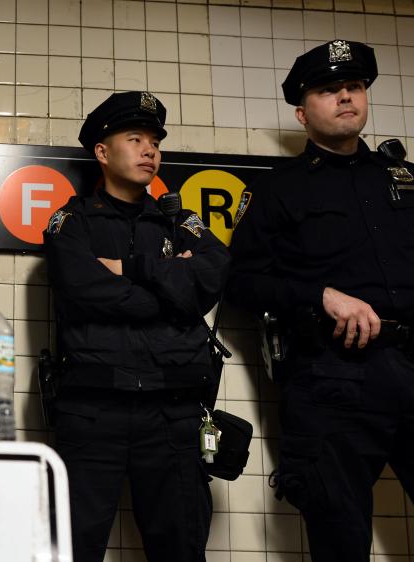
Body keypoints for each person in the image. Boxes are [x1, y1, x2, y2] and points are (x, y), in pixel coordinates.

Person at [228, 40, 414, 561]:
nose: (346, 97)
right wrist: (320, 295)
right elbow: (239, 280)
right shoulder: (278, 189)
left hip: (411, 363)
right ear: (302, 113)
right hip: (334, 378)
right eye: (329, 90)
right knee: (340, 539)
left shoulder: (404, 180)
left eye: (354, 86)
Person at [43, 91, 229, 561]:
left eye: (155, 142)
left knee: (181, 548)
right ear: (102, 152)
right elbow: (84, 292)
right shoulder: (72, 222)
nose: (150, 150)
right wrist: (172, 293)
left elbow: (211, 278)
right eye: (135, 139)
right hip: (94, 408)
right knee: (71, 547)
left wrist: (132, 268)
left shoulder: (180, 221)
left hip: (173, 410)